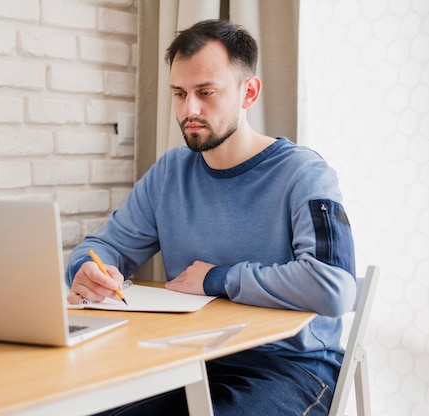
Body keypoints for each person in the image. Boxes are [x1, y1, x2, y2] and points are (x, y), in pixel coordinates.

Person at [65, 19, 356, 416]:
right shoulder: (171, 172)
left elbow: (334, 286)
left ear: (248, 92)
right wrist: (87, 268)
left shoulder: (304, 174)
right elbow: (104, 246)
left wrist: (216, 277)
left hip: (290, 369)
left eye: (206, 93)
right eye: (179, 94)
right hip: (186, 362)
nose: (190, 110)